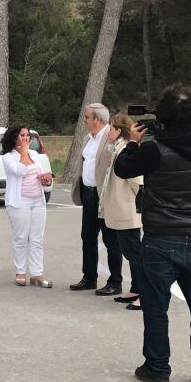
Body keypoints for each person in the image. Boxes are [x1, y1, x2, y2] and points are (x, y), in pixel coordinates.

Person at [113, 84, 191, 382]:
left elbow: (122, 169)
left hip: (161, 237)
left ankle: (158, 368)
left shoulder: (154, 149)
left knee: (156, 307)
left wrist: (133, 143)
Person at [70, 103, 124, 295]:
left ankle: (115, 281)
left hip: (105, 195)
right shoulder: (88, 138)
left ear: (97, 120)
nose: (84, 121)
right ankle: (89, 277)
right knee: (88, 236)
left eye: (86, 117)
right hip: (88, 193)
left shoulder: (111, 137)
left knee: (110, 239)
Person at [99, 113, 144, 311]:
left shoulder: (126, 149)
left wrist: (136, 205)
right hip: (118, 211)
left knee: (135, 254)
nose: (108, 131)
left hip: (128, 211)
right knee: (129, 252)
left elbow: (137, 181)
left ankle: (146, 293)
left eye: (111, 128)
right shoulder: (117, 148)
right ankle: (136, 288)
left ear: (119, 131)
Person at [1, 125, 54, 288]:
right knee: (21, 238)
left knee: (37, 239)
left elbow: (42, 174)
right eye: (22, 135)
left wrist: (46, 179)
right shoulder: (8, 157)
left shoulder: (35, 155)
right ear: (14, 138)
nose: (26, 138)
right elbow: (20, 171)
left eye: (27, 135)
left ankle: (37, 273)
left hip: (38, 201)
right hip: (19, 202)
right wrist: (24, 152)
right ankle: (20, 271)